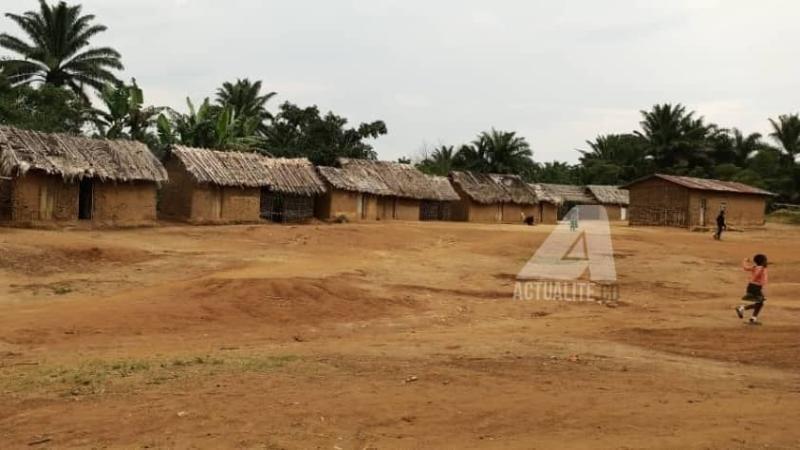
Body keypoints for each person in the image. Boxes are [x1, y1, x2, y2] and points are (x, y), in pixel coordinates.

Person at [735, 254, 768, 324]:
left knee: (760, 302)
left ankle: (752, 318)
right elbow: (757, 275)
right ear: (762, 262)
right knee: (760, 302)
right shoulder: (761, 268)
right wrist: (756, 278)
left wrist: (744, 261)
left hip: (753, 286)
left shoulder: (755, 267)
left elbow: (745, 268)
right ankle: (742, 308)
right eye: (765, 260)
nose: (766, 262)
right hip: (755, 287)